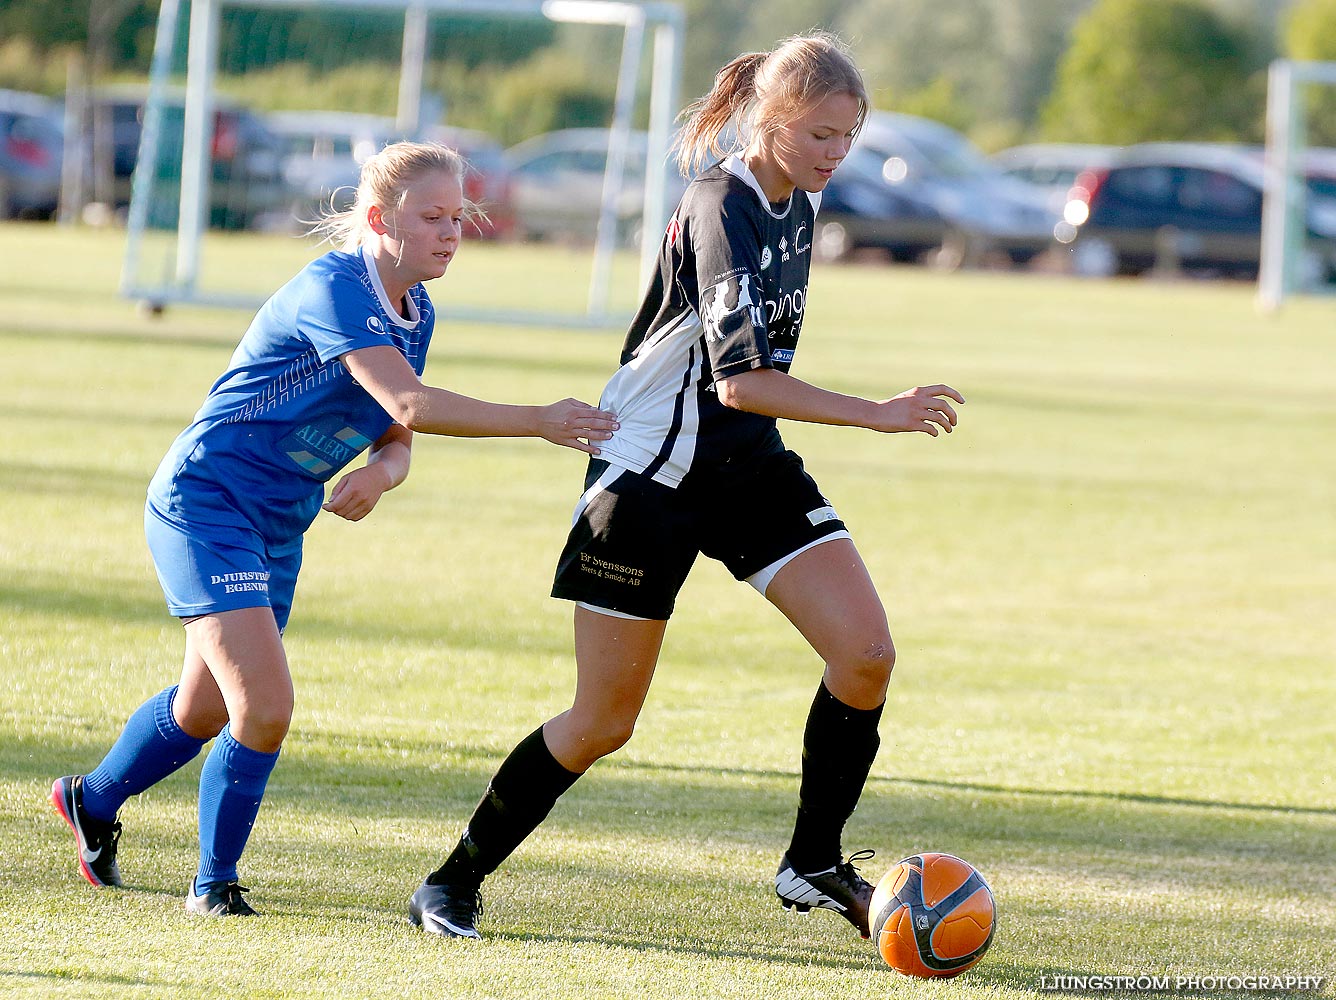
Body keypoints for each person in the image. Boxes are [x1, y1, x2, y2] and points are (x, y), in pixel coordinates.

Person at [407, 33, 964, 941]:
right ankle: (451, 881)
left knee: (866, 655)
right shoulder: (721, 206)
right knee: (602, 722)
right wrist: (879, 411)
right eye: (822, 133)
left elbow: (743, 402)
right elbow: (740, 377)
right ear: (773, 121)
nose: (837, 153)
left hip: (747, 465)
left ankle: (812, 864)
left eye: (849, 136)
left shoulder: (799, 205)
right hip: (650, 476)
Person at [50, 140, 618, 917]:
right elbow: (413, 404)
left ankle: (91, 799)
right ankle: (212, 886)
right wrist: (539, 419)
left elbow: (397, 440)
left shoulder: (417, 311)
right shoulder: (334, 286)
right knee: (265, 704)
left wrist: (377, 479)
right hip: (207, 501)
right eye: (432, 217)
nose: (450, 233)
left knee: (206, 710)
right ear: (380, 219)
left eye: (459, 217)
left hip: (278, 522)